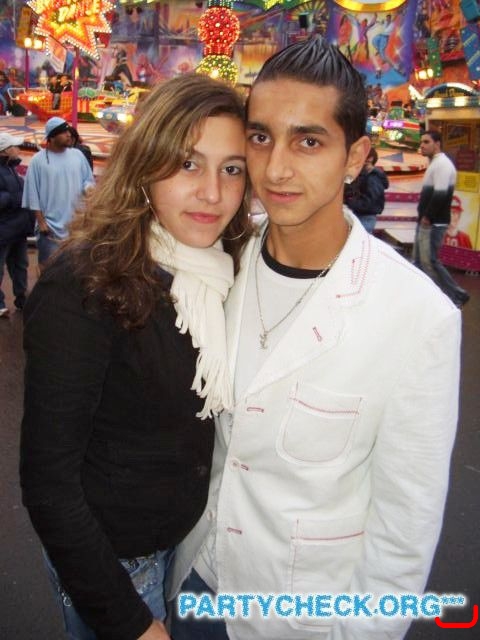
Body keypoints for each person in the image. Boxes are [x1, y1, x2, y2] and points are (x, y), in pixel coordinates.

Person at [169, 37, 461, 640]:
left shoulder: (416, 316)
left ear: (355, 157)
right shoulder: (218, 263)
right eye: (260, 137)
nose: (276, 168)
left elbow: (402, 535)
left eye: (308, 142)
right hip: (194, 582)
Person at [19, 73, 251, 640]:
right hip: (115, 562)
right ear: (144, 166)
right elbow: (49, 484)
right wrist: (130, 623)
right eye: (188, 164)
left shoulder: (220, 272)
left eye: (232, 169)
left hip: (190, 545)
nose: (213, 193)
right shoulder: (85, 283)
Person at [22, 116, 94, 269]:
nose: (69, 135)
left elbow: (88, 180)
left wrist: (89, 189)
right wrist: (41, 222)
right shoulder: (37, 161)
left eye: (68, 131)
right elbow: (32, 193)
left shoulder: (78, 155)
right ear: (52, 137)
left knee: (75, 268)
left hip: (76, 226)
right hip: (50, 229)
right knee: (47, 268)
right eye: (63, 132)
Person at [413, 130, 470, 307]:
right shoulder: (436, 163)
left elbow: (440, 194)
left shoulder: (443, 165)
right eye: (421, 142)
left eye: (426, 142)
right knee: (419, 261)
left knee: (430, 260)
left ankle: (456, 294)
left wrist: (427, 217)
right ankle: (424, 296)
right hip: (428, 221)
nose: (422, 145)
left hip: (433, 222)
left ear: (437, 144)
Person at [0, 133, 34, 317]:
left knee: (20, 265)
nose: (18, 149)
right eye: (14, 146)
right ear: (5, 151)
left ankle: (22, 298)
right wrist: (17, 197)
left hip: (18, 228)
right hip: (4, 229)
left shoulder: (11, 167)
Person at [344, 147, 389, 233]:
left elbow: (369, 203)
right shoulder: (358, 174)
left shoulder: (373, 178)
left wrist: (351, 202)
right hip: (355, 214)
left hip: (364, 217)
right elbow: (347, 188)